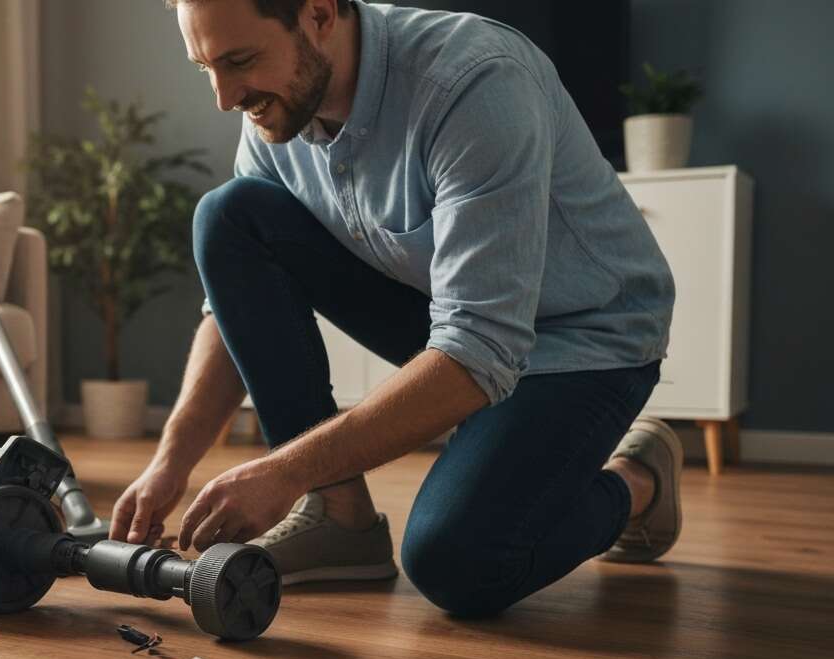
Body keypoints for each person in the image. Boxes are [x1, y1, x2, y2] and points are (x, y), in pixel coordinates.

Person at [109, 0, 680, 616]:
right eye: (206, 68)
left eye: (240, 61)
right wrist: (170, 464)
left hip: (586, 336)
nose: (224, 96)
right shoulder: (276, 107)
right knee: (228, 216)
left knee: (457, 564)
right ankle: (340, 517)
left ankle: (640, 482)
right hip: (457, 319)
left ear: (319, 15)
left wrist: (285, 471)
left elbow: (479, 347)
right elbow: (232, 306)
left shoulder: (474, 83)